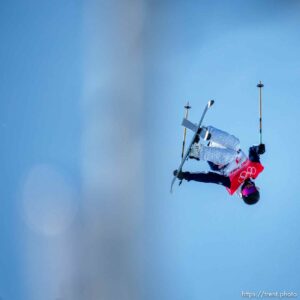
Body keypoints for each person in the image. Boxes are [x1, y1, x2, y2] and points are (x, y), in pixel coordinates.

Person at [174, 126, 266, 205]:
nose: (248, 187)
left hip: (219, 161)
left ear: (242, 194)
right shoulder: (254, 169)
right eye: (252, 189)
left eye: (247, 191)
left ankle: (196, 151)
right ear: (256, 188)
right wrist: (258, 149)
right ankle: (206, 131)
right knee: (236, 144)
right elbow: (253, 150)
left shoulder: (232, 184)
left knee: (231, 155)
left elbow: (210, 178)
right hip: (219, 144)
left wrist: (187, 176)